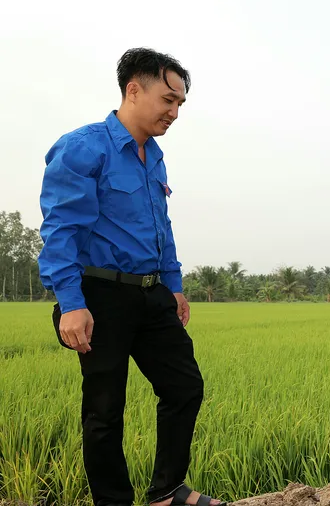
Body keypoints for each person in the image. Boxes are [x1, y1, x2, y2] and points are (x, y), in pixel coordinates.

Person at [38, 48, 225, 506]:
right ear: (133, 89)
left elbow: (162, 226)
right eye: (168, 99)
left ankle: (166, 491)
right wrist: (71, 301)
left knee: (184, 387)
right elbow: (61, 228)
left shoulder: (154, 157)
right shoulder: (85, 147)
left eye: (180, 103)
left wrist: (174, 285)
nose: (174, 112)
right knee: (104, 410)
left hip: (151, 293)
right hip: (99, 294)